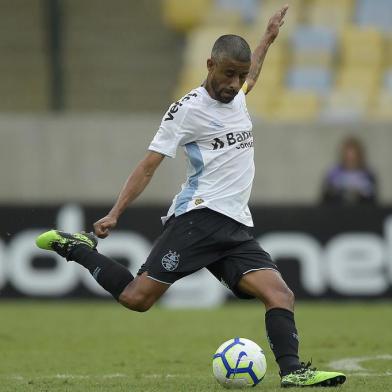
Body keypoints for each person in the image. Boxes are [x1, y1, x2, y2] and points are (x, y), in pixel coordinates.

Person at [36, 5, 346, 388]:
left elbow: (255, 73)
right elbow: (149, 164)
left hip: (234, 225)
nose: (234, 83)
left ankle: (293, 372)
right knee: (137, 298)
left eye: (241, 75)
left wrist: (267, 38)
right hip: (199, 218)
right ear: (209, 64)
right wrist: (116, 212)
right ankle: (78, 248)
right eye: (228, 73)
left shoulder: (238, 96)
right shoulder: (186, 111)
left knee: (280, 294)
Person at [321, 136, 377, 205]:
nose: (350, 159)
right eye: (347, 157)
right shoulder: (333, 175)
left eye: (353, 158)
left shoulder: (368, 175)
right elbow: (325, 200)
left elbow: (373, 200)